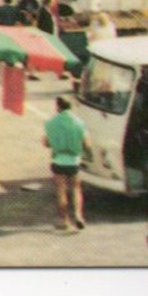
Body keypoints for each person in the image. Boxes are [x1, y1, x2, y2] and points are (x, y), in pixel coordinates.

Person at [42, 96, 91, 231]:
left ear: (58, 106)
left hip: (58, 161)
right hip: (74, 161)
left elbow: (46, 143)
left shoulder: (51, 123)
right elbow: (87, 144)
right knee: (76, 189)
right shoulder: (79, 123)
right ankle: (78, 215)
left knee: (61, 191)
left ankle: (65, 221)